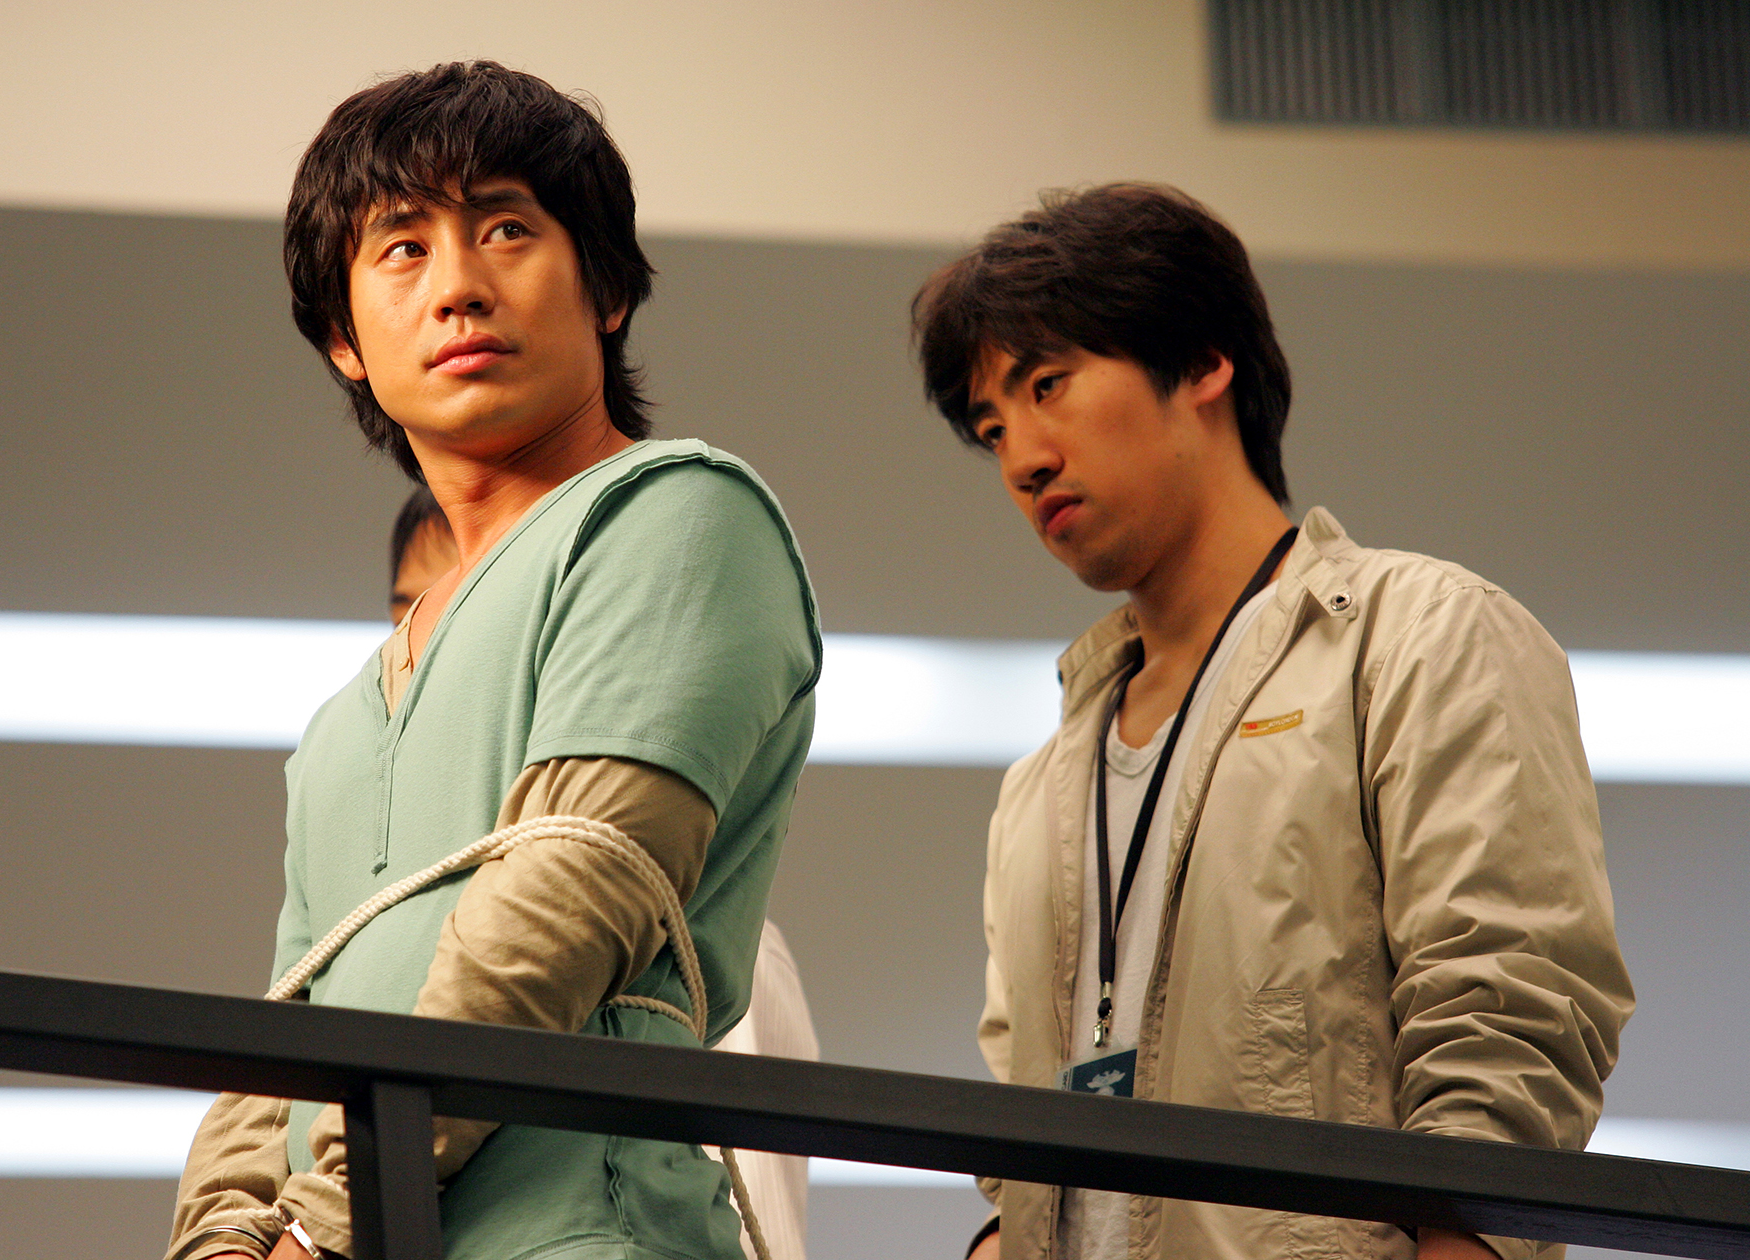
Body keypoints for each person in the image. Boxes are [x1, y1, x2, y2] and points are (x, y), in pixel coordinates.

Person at [167, 61, 820, 1260]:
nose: (459, 285)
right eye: (402, 248)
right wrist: (222, 1245)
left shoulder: (675, 513)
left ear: (606, 287)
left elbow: (572, 900)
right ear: (343, 340)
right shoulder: (343, 719)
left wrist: (324, 1230)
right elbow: (284, 1032)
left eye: (507, 229)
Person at [911, 184, 1632, 1260]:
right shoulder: (1041, 785)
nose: (1022, 458)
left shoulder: (1417, 636)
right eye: (992, 426)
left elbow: (1508, 1025)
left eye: (1048, 386)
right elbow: (1020, 1120)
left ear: (1204, 362)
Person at [381, 487, 822, 1260]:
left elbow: (764, 1234)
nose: (436, 646)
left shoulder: (697, 960)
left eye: (480, 605)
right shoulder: (379, 910)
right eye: (413, 614)